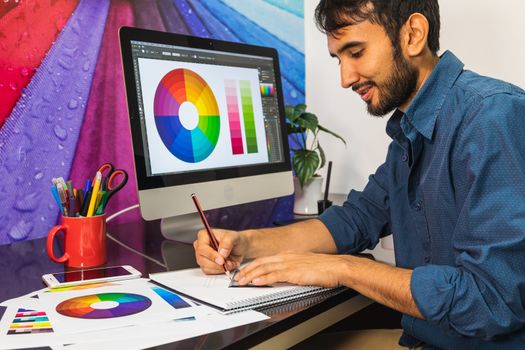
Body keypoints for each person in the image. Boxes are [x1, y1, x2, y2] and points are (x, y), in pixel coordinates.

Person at [194, 0, 525, 348]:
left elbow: (491, 302)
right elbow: (354, 221)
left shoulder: (493, 117)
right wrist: (245, 243)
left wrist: (345, 270)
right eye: (339, 59)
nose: (345, 78)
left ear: (413, 34)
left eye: (356, 52)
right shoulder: (409, 134)